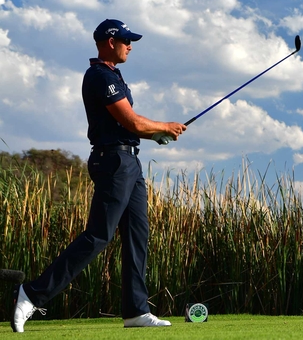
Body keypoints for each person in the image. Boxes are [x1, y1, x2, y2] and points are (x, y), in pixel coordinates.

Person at [11, 19, 186, 332]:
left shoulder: (114, 75)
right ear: (109, 41)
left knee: (137, 235)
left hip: (129, 162)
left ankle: (135, 311)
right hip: (114, 162)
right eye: (126, 41)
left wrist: (156, 135)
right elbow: (131, 122)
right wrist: (163, 127)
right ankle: (33, 293)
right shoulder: (100, 75)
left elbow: (126, 127)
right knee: (98, 235)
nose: (130, 46)